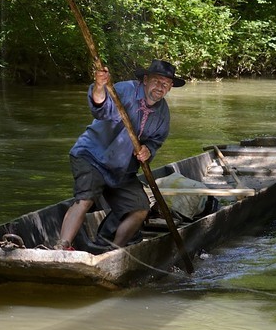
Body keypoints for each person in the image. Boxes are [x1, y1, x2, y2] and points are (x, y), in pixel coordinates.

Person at [55, 59, 185, 251]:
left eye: (166, 83)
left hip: (122, 170)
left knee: (140, 208)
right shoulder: (125, 90)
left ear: (170, 87)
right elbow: (100, 106)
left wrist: (147, 150)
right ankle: (62, 246)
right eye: (157, 81)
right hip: (92, 156)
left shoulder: (163, 112)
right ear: (146, 79)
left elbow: (155, 142)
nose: (161, 86)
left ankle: (115, 251)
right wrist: (99, 86)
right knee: (86, 198)